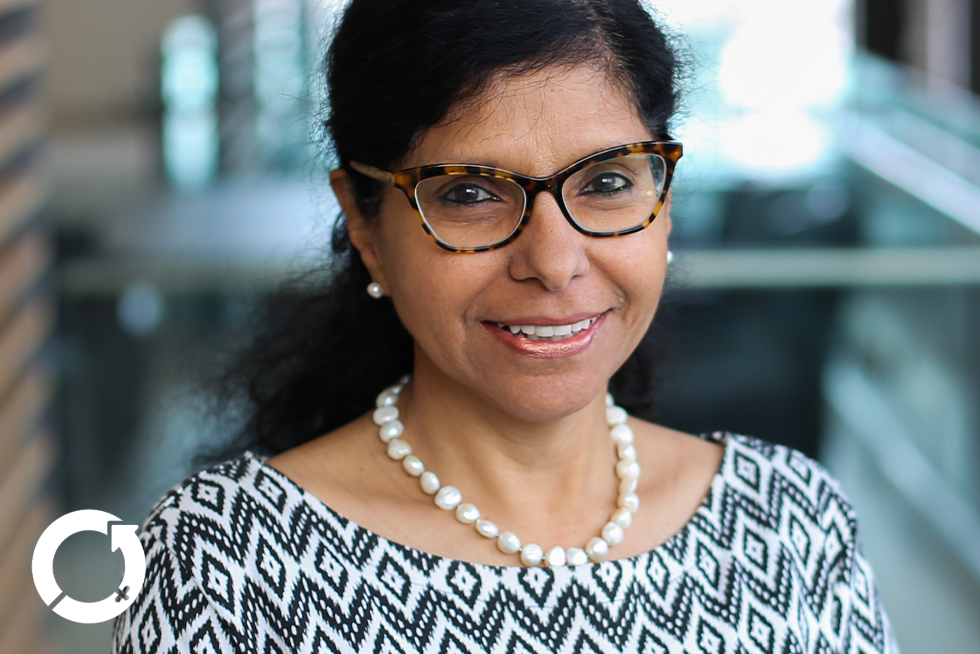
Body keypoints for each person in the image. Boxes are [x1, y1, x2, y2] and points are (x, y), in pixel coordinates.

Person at [112, 0, 899, 652]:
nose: (554, 262)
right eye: (469, 194)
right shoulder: (224, 566)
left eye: (607, 182)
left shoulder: (790, 522)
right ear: (364, 222)